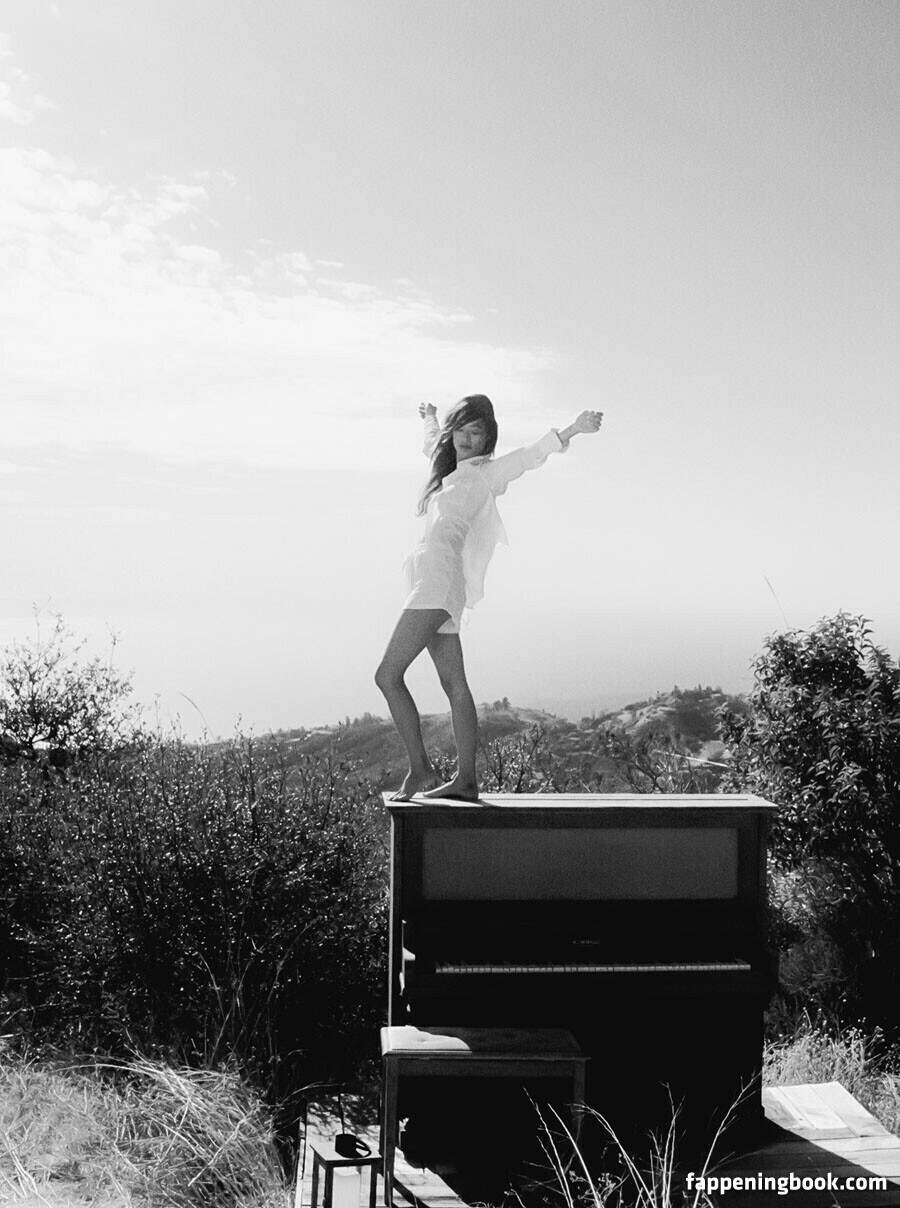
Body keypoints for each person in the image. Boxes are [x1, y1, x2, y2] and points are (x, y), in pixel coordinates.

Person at [375, 394, 604, 802]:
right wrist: (431, 416)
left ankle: (420, 769)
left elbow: (530, 456)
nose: (466, 438)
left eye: (476, 432)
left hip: (437, 582)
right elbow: (431, 441)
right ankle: (466, 780)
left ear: (487, 439)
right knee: (454, 683)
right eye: (461, 430)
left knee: (387, 676)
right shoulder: (446, 468)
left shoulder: (487, 474)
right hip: (437, 582)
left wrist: (574, 429)